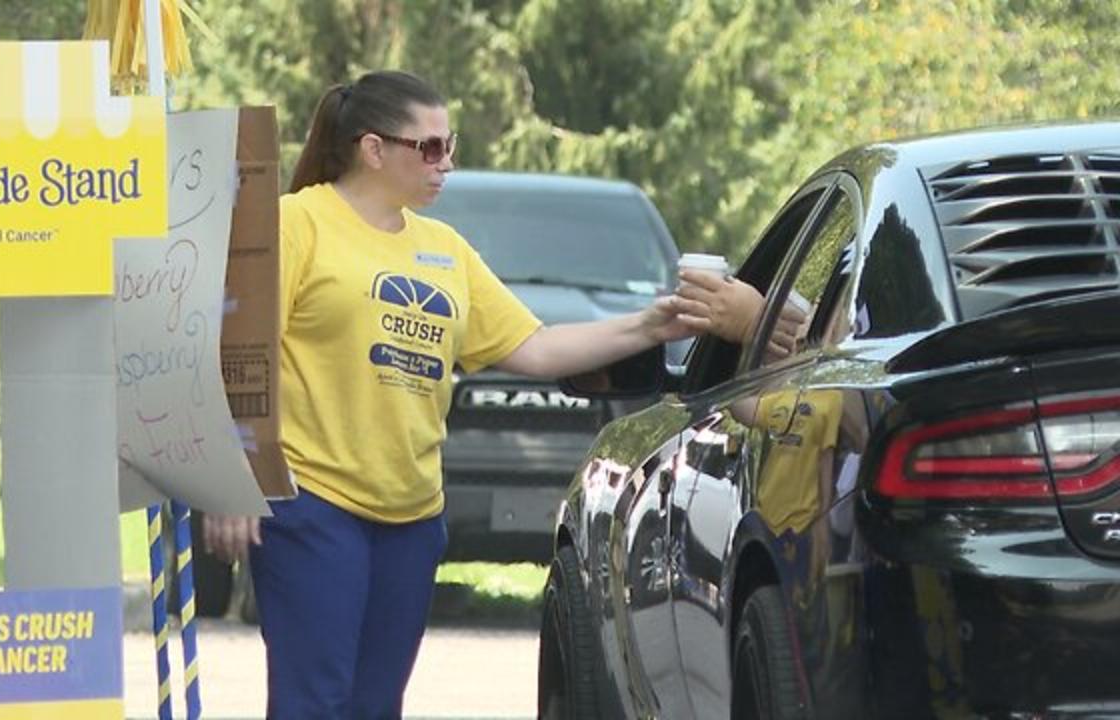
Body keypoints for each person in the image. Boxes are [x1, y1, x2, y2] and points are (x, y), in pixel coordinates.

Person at [202, 69, 769, 719]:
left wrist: (651, 324)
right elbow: (239, 351)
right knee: (314, 701)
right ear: (373, 148)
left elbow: (534, 348)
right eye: (430, 147)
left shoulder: (444, 249)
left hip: (411, 516)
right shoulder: (298, 222)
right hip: (313, 502)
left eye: (451, 144)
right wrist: (234, 478)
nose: (447, 163)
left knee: (375, 705)